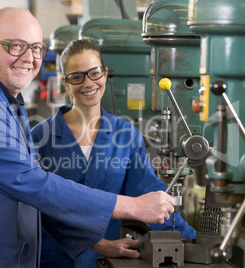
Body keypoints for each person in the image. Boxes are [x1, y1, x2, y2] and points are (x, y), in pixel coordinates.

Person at [0, 7, 176, 268]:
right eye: (16, 45)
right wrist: (133, 207)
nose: (29, 57)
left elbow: (34, 200)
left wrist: (95, 243)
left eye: (36, 48)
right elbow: (31, 183)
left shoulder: (8, 105)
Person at [31, 40, 197, 268]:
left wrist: (188, 237)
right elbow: (34, 204)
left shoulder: (124, 134)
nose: (88, 83)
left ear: (105, 73)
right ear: (65, 83)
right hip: (52, 259)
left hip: (103, 262)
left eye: (94, 72)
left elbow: (147, 191)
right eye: (77, 76)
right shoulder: (40, 136)